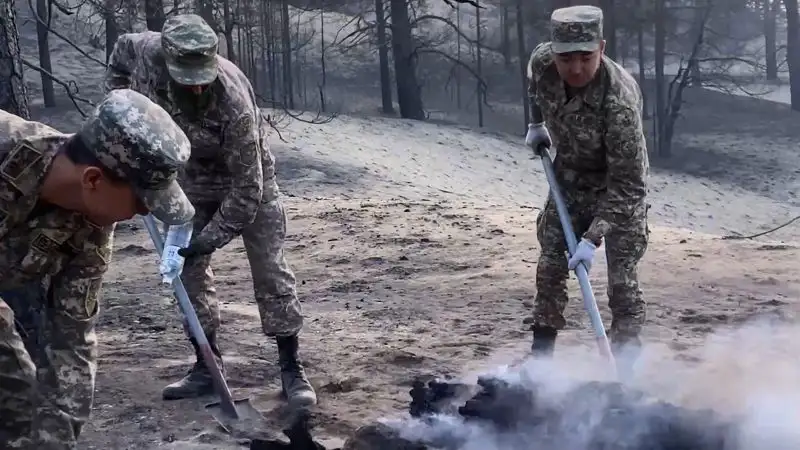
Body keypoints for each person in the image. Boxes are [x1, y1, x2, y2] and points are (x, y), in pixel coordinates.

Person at [103, 13, 317, 407]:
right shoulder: (146, 51)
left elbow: (247, 193)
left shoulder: (235, 105)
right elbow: (119, 56)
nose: (198, 87)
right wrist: (119, 106)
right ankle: (206, 363)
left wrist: (209, 240)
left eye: (203, 76)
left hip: (247, 179)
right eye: (188, 79)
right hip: (188, 177)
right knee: (184, 270)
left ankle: (291, 367)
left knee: (270, 268)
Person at [0, 88, 194, 449]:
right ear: (92, 180)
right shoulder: (6, 149)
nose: (146, 212)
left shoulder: (91, 230)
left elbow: (72, 341)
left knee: (21, 411)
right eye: (141, 201)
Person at [524, 5, 650, 369]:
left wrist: (591, 238)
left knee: (622, 285)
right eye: (566, 59)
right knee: (549, 266)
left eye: (585, 57)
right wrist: (536, 124)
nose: (575, 68)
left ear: (602, 48)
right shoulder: (543, 62)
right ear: (554, 52)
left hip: (619, 189)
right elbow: (534, 86)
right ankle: (540, 363)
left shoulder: (620, 102)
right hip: (571, 178)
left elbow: (630, 185)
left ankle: (625, 371)